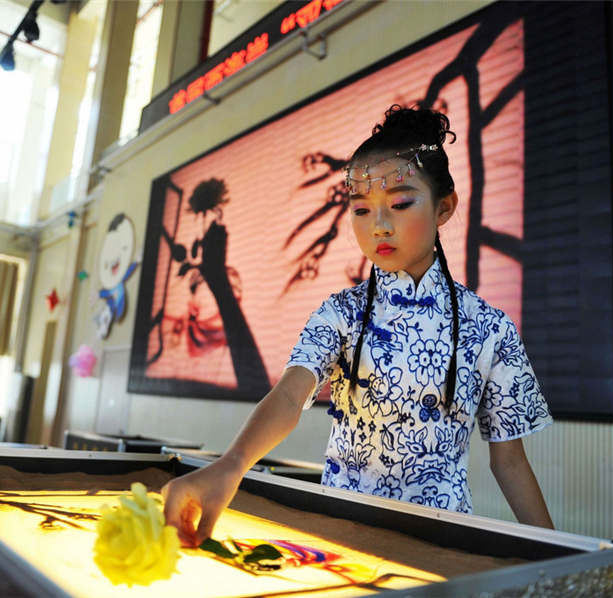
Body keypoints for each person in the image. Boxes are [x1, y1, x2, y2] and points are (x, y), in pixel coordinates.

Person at [162, 105, 554, 547]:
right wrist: (232, 464)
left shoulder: (490, 328)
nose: (379, 226)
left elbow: (510, 462)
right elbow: (290, 394)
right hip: (339, 537)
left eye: (400, 204)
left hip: (438, 543)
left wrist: (558, 556)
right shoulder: (341, 313)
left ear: (444, 207)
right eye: (361, 210)